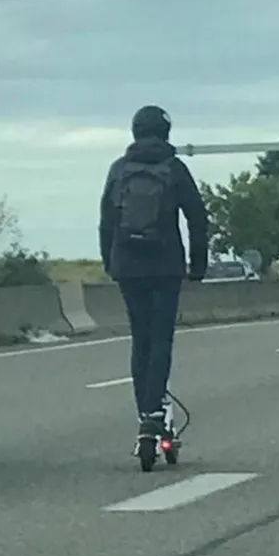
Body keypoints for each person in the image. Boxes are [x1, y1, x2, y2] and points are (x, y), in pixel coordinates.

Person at [98, 105, 210, 449]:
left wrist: (110, 262)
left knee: (140, 339)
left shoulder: (119, 170)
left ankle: (144, 414)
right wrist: (198, 265)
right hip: (165, 266)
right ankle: (155, 413)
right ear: (166, 132)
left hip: (128, 266)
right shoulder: (174, 168)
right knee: (161, 339)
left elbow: (106, 220)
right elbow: (197, 218)